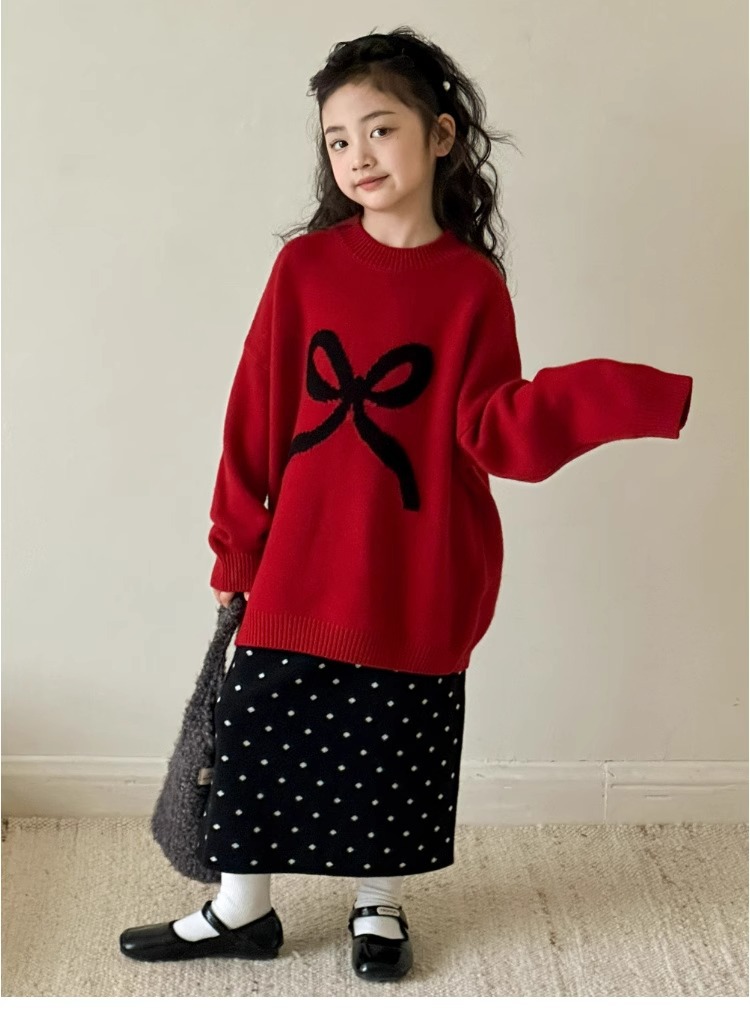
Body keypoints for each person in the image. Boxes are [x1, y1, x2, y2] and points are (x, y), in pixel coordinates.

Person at [119, 26, 693, 981]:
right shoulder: (305, 270)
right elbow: (254, 415)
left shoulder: (471, 287)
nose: (358, 156)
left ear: (441, 134)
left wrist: (626, 397)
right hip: (301, 563)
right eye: (338, 139)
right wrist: (237, 547)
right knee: (256, 727)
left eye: (379, 129)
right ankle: (240, 908)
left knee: (391, 744)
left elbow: (496, 428)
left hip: (415, 569)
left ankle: (377, 905)